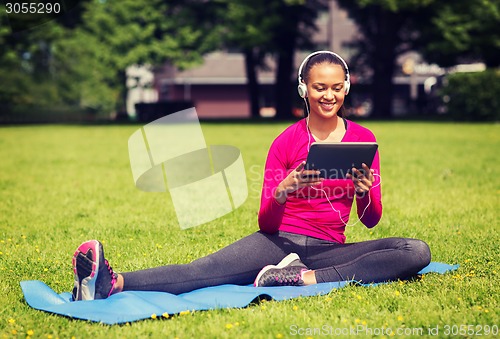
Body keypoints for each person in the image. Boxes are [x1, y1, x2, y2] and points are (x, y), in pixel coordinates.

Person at [72, 51, 431, 301]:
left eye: (336, 87)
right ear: (304, 89)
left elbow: (370, 221)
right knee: (202, 271)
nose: (329, 95)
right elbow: (266, 219)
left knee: (415, 251)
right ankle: (110, 282)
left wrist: (364, 192)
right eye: (320, 87)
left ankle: (301, 279)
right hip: (278, 242)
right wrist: (283, 190)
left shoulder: (364, 139)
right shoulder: (285, 141)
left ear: (346, 88)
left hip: (329, 250)